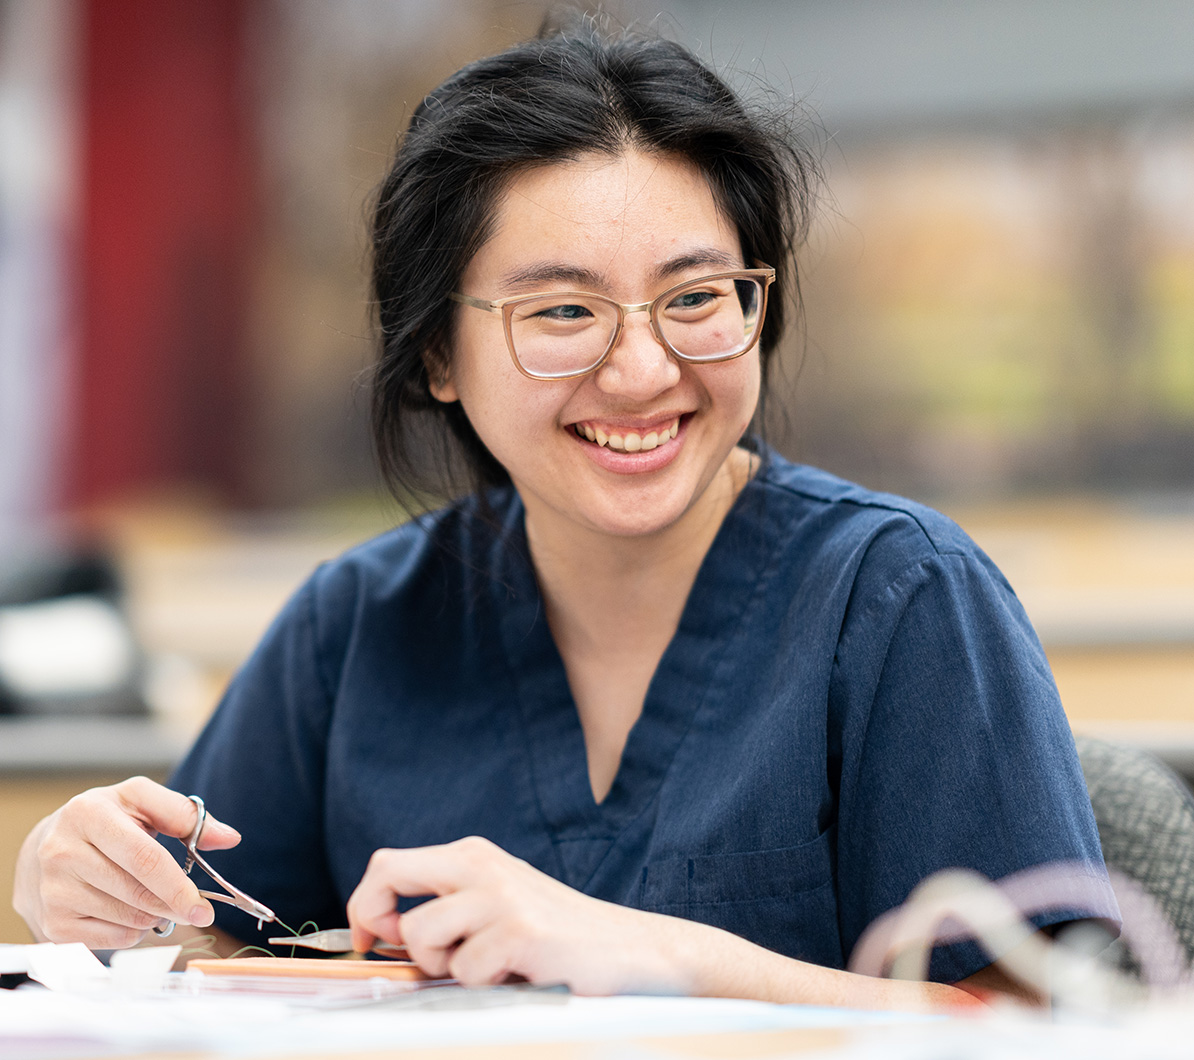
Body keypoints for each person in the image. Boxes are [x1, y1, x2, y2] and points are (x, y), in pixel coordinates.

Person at [13, 19, 1118, 1008]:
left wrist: (664, 955)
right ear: (439, 350)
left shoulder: (900, 596)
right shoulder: (355, 629)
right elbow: (216, 948)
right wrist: (104, 889)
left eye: (695, 297)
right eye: (563, 309)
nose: (643, 370)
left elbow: (1040, 1026)